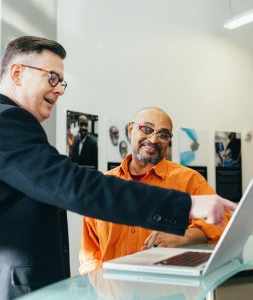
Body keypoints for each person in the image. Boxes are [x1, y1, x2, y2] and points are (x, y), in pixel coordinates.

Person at [0, 36, 236, 300]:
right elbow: (74, 186)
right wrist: (188, 205)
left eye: (61, 81)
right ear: (17, 73)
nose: (59, 90)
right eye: (52, 78)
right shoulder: (4, 122)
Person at [79, 108, 232, 274]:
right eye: (147, 129)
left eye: (163, 134)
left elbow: (223, 220)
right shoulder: (104, 185)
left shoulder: (190, 180)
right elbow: (90, 253)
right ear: (131, 129)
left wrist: (183, 236)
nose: (153, 139)